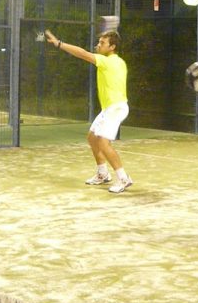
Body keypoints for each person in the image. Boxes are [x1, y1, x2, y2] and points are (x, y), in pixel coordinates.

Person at [44, 29, 133, 193]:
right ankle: (103, 174)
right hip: (109, 108)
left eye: (102, 43)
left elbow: (82, 53)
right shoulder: (116, 61)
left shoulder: (110, 62)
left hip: (116, 107)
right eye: (99, 42)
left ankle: (123, 178)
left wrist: (59, 44)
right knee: (92, 138)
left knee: (103, 143)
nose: (98, 45)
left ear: (112, 47)